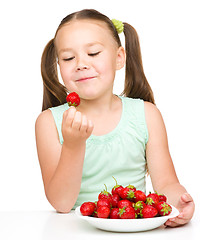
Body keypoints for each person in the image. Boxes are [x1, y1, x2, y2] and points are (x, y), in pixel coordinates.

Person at [35, 9, 194, 227]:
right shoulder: (48, 122)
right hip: (74, 232)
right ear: (59, 65)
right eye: (68, 58)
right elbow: (62, 203)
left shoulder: (147, 115)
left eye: (93, 53)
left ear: (119, 58)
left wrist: (180, 202)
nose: (80, 63)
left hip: (135, 225)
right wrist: (73, 145)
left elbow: (166, 183)